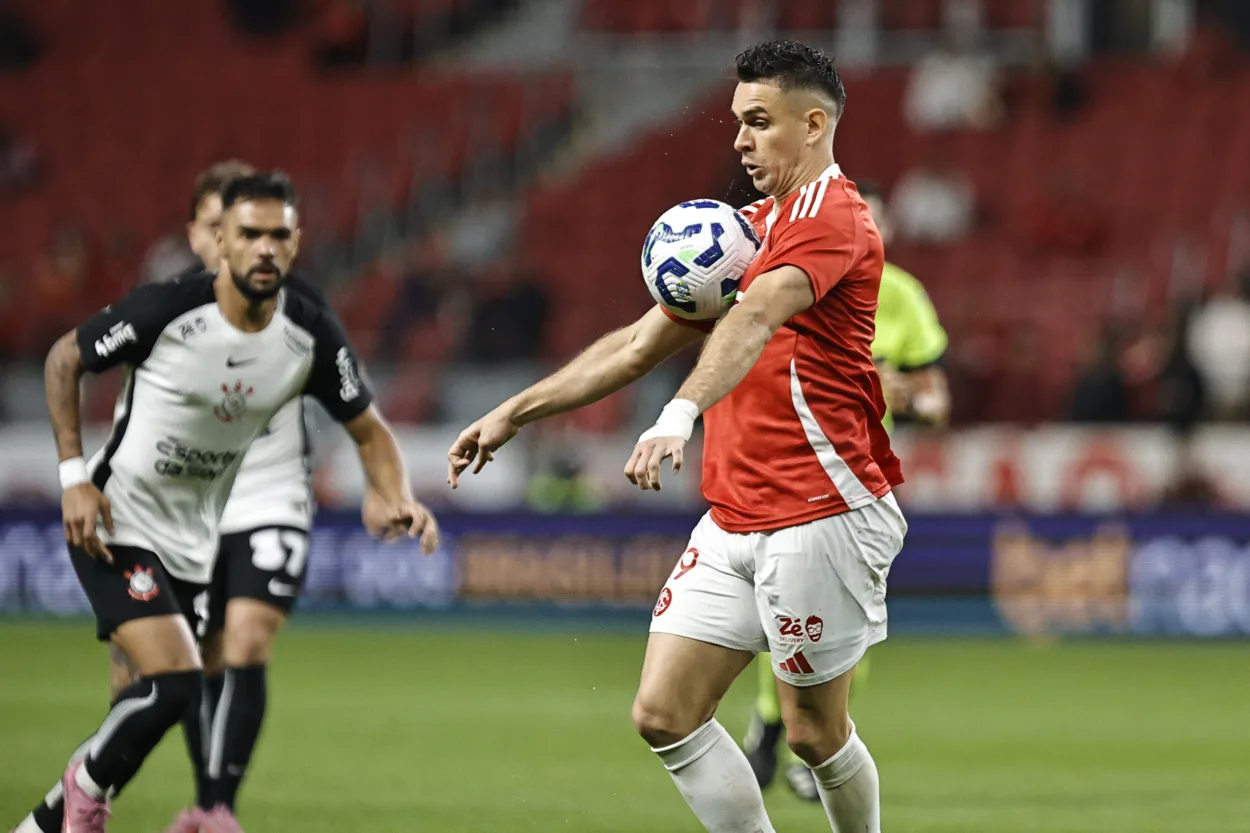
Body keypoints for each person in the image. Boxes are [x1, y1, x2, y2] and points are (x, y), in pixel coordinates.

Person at [449, 40, 904, 833]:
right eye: (737, 122)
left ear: (814, 123)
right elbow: (635, 344)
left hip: (821, 512)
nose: (740, 140)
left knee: (813, 733)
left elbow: (757, 316)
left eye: (759, 122)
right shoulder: (745, 228)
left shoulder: (833, 220)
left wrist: (678, 414)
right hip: (733, 515)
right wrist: (515, 412)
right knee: (664, 711)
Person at [10, 171, 438, 833]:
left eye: (278, 235)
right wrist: (74, 476)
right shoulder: (167, 308)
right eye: (249, 234)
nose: (265, 248)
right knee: (175, 682)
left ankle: (46, 821)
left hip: (193, 540)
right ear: (220, 241)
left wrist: (392, 494)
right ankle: (86, 798)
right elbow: (65, 359)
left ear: (295, 245)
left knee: (152, 696)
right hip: (116, 521)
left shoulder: (309, 332)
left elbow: (369, 427)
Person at [744, 179, 950, 802]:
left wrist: (901, 391)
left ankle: (806, 739)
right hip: (787, 470)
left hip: (859, 481)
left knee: (853, 630)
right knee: (779, 608)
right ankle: (774, 724)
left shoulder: (903, 296)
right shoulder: (792, 279)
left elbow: (936, 402)